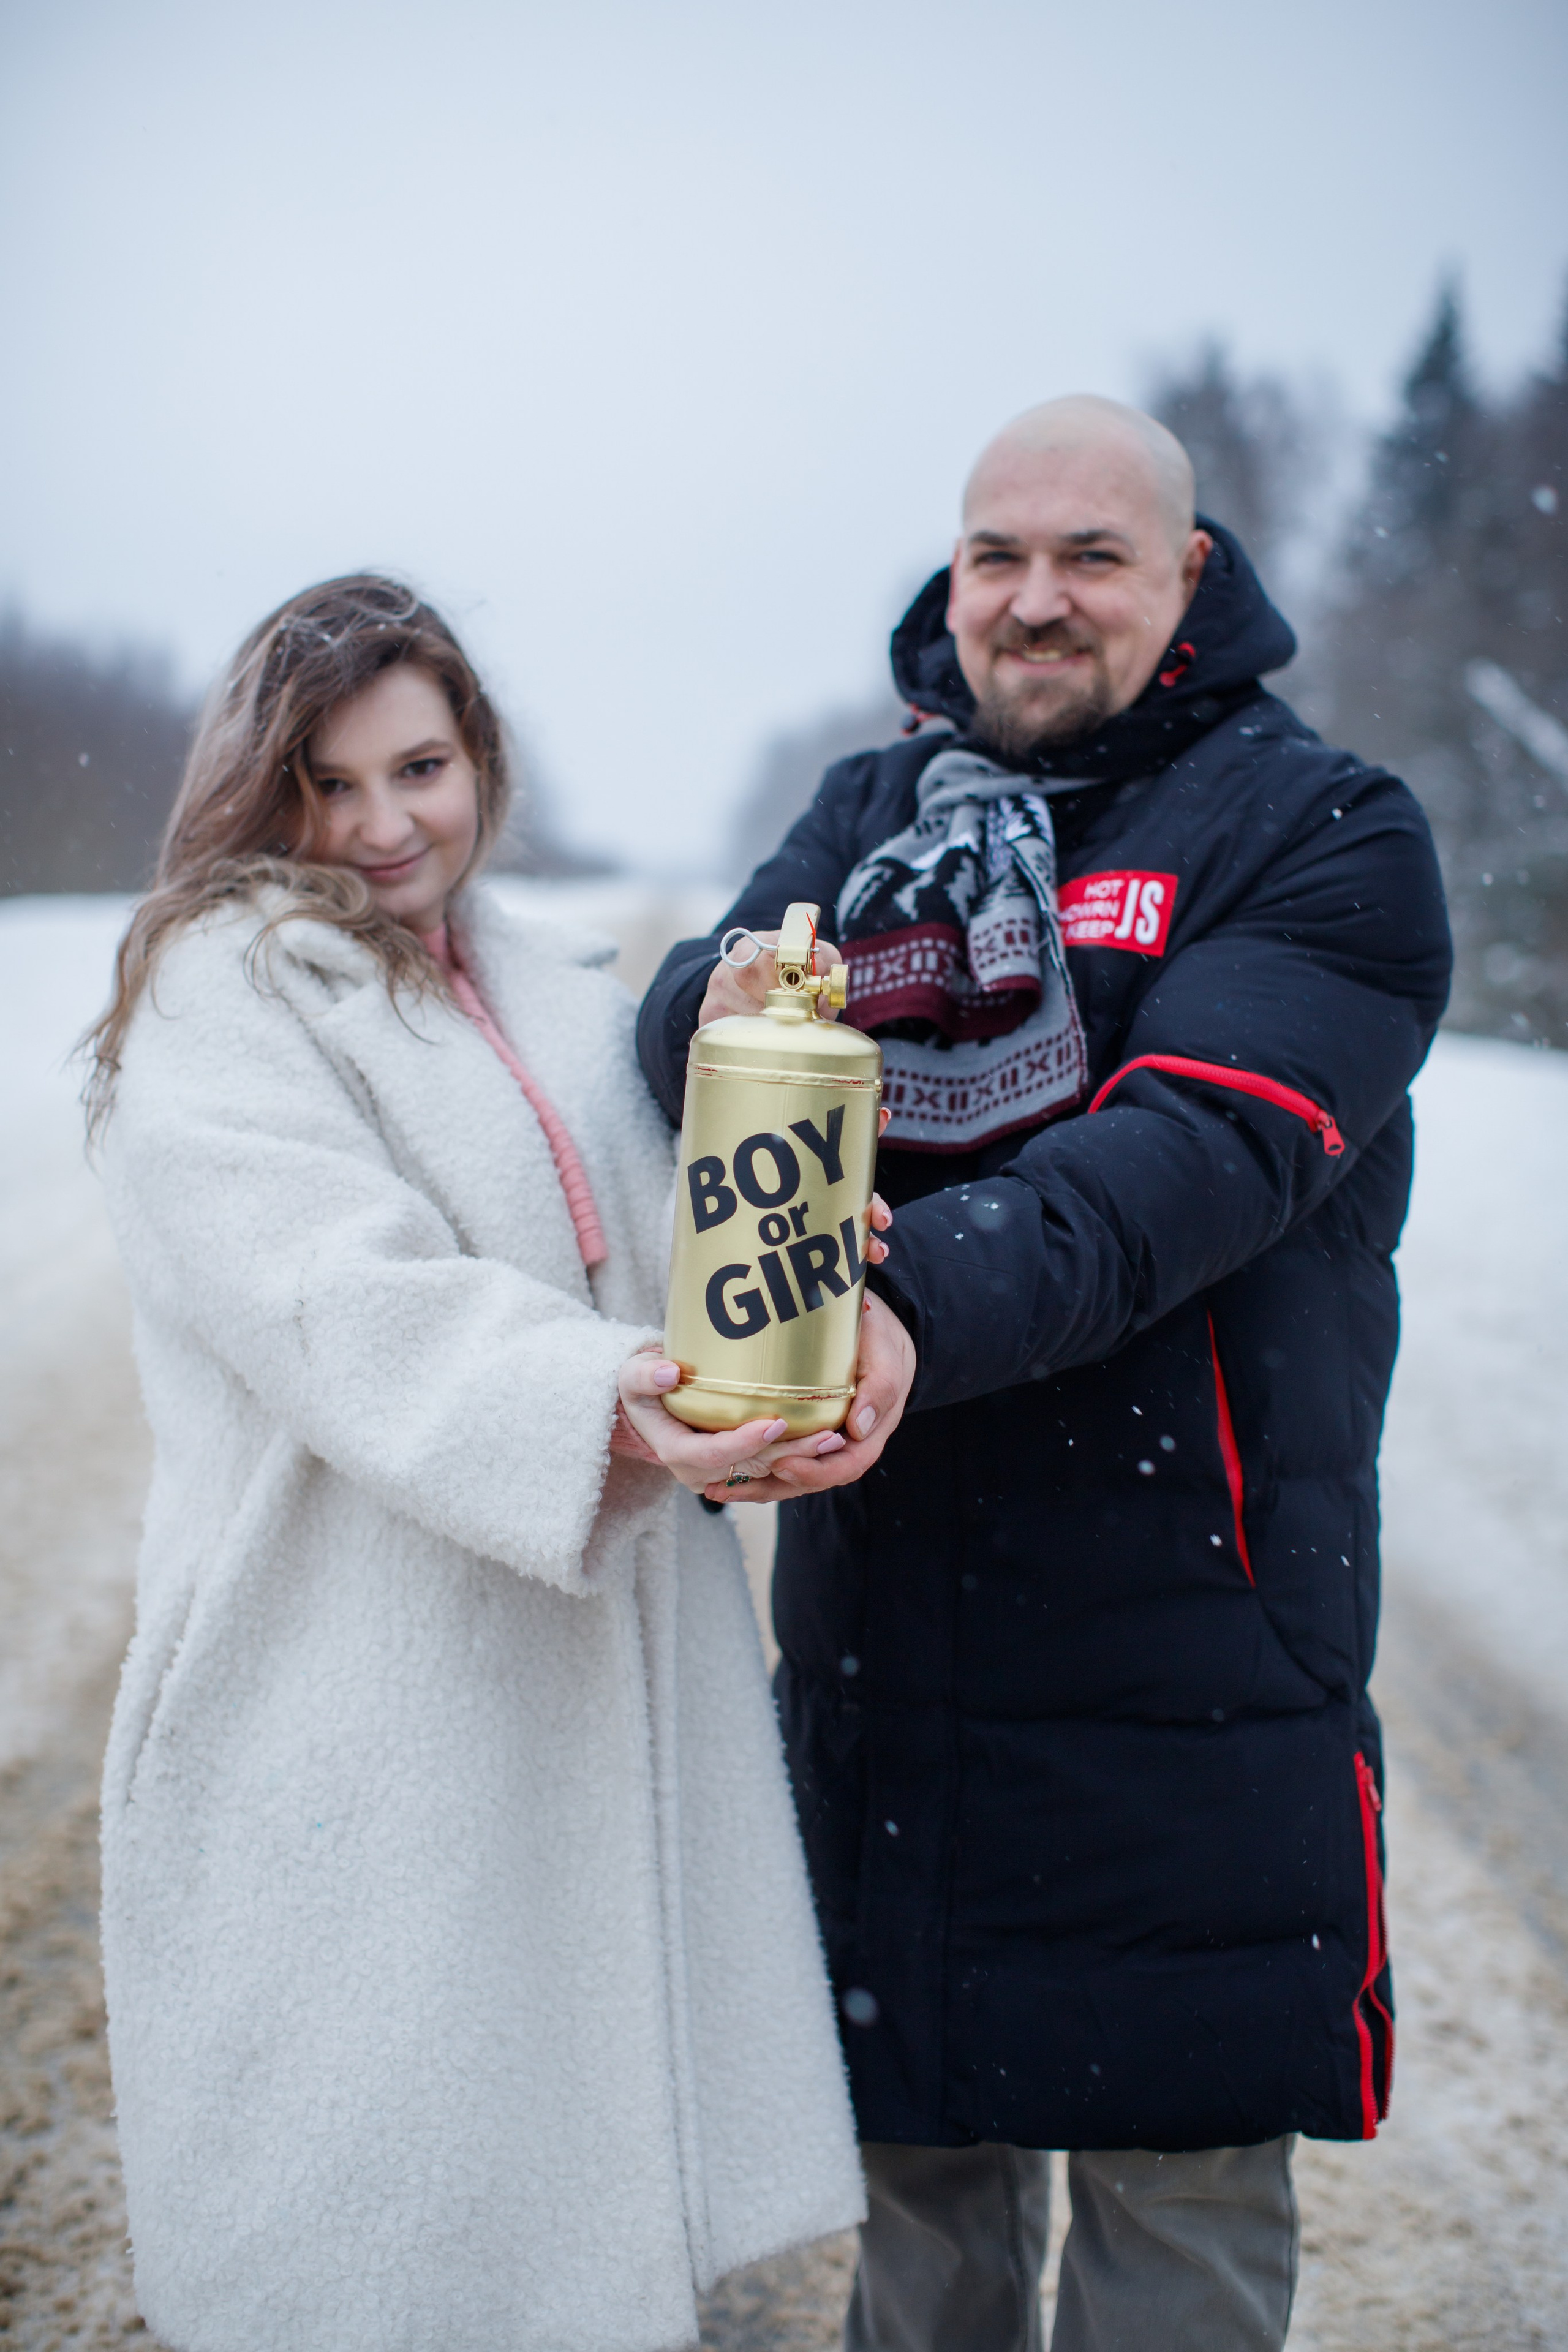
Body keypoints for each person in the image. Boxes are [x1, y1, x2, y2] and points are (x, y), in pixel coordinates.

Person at [637, 397, 1453, 2350]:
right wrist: (713, 1004)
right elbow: (698, 1015)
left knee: (1173, 2236)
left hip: (1192, 1661)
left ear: (1190, 579)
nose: (1036, 599)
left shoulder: (1324, 831)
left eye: (1095, 555)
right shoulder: (872, 814)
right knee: (918, 2237)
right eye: (998, 555)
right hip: (890, 1646)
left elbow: (1189, 1157)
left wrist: (904, 1305)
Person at [86, 574, 873, 2352]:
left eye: (420, 767)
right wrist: (607, 1401)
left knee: (558, 2186)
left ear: (481, 760)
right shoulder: (222, 999)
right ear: (261, 789)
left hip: (553, 1668)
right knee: (393, 2220)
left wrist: (779, 1200)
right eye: (331, 783)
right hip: (352, 1691)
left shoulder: (546, 984)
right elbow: (334, 1299)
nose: (382, 827)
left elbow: (657, 1247)